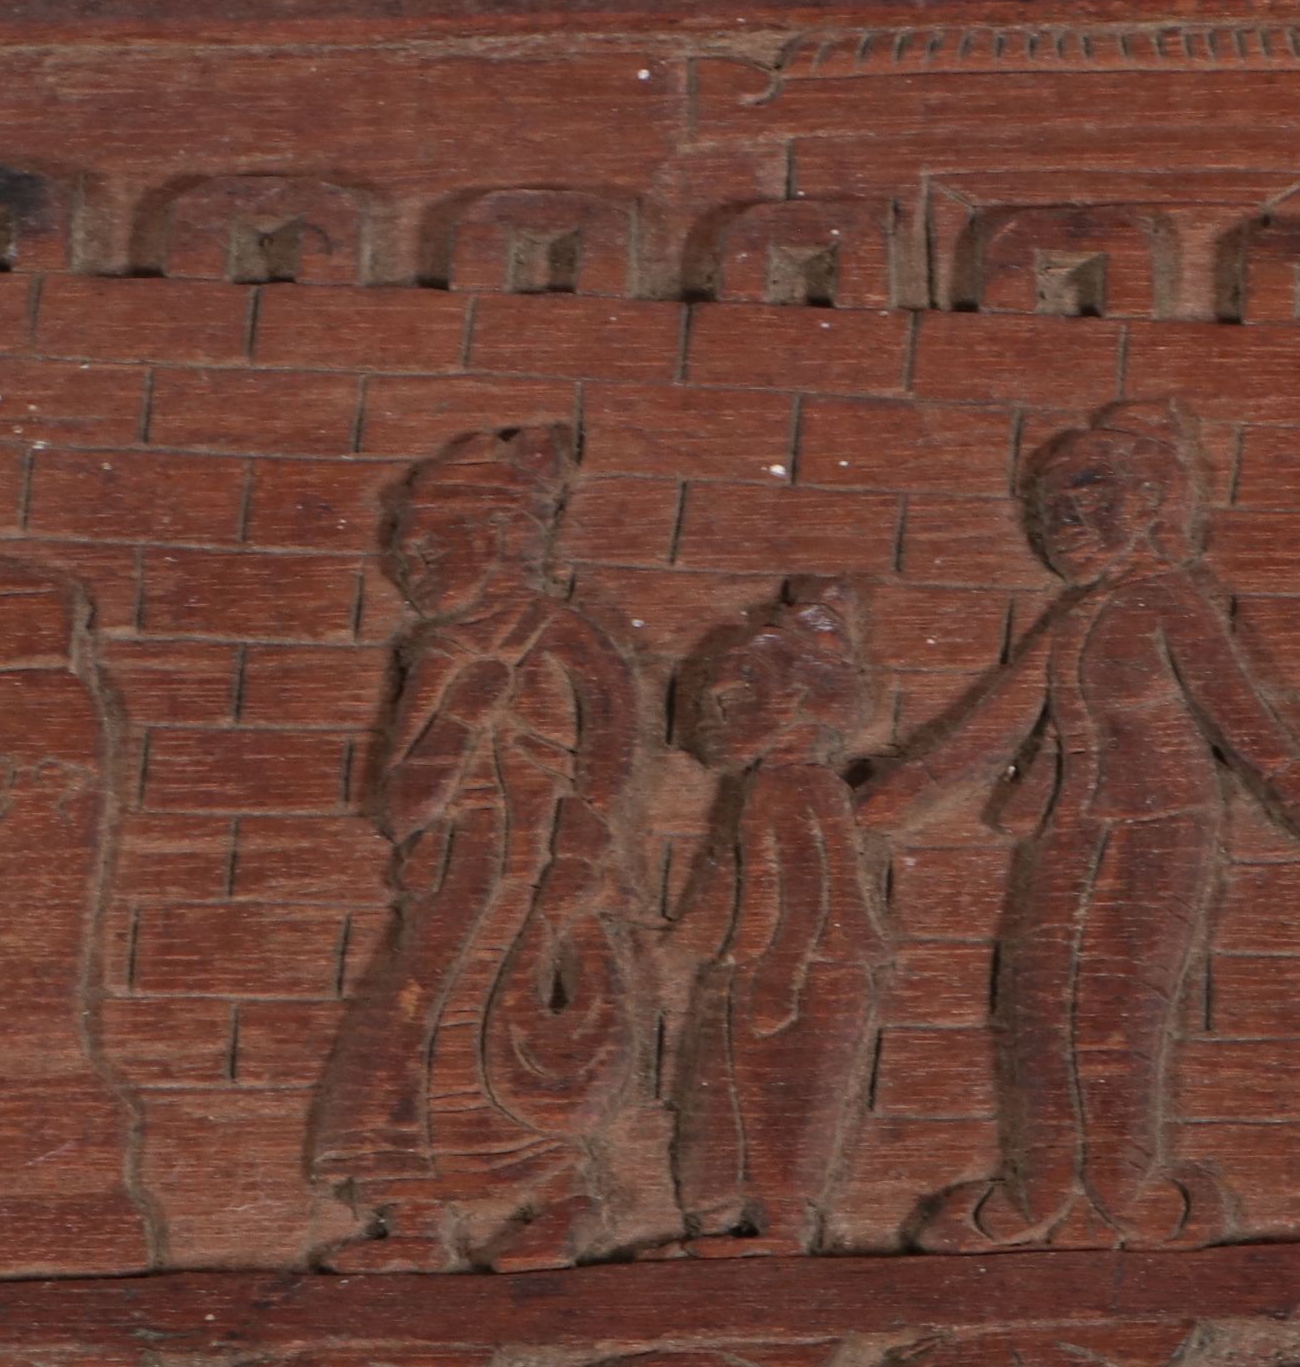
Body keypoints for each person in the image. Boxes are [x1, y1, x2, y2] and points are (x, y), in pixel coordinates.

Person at [858, 400, 1300, 1249]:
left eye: (1090, 491)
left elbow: (1257, 741)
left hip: (1160, 830)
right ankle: (1036, 1192)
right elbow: (985, 730)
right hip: (1073, 828)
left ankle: (1123, 1189)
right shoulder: (1075, 620)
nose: (1066, 516)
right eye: (1050, 505)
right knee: (1036, 1003)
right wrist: (869, 808)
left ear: (1152, 499)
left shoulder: (1169, 604)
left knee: (1112, 1014)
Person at [306, 423, 648, 1268]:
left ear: (499, 543)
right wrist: (464, 714)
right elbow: (403, 803)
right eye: (400, 549)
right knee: (406, 1034)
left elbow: (613, 750)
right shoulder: (445, 654)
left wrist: (577, 859)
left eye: (426, 547)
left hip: (539, 870)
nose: (406, 566)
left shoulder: (568, 642)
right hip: (456, 875)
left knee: (522, 1035)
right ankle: (414, 1222)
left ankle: (563, 1196)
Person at [666, 577, 894, 1250]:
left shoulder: (802, 790)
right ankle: (718, 1217)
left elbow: (807, 890)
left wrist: (783, 973)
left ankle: (783, 1222)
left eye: (732, 702)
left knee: (788, 1093)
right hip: (757, 966)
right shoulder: (772, 784)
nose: (712, 718)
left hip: (801, 974)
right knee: (723, 1089)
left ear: (796, 706)